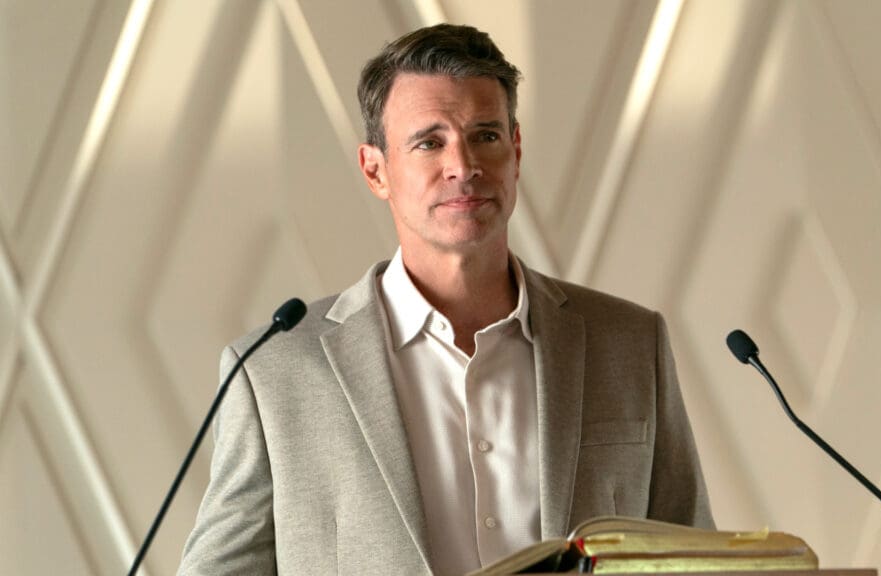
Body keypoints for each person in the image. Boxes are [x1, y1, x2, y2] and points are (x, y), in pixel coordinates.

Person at [178, 23, 712, 576]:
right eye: (430, 143)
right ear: (376, 171)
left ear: (516, 150)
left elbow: (696, 560)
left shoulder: (630, 344)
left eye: (486, 135)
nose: (464, 165)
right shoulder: (273, 371)